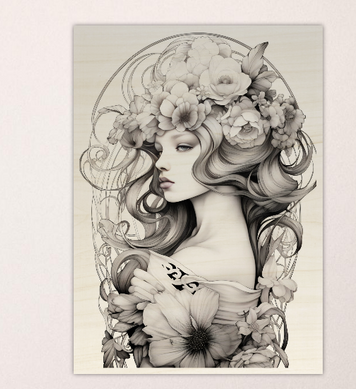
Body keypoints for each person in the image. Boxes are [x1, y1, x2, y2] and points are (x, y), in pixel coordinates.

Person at [79, 34, 314, 369]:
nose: (160, 163)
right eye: (160, 150)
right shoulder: (199, 246)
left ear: (229, 153)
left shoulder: (204, 260)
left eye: (184, 146)